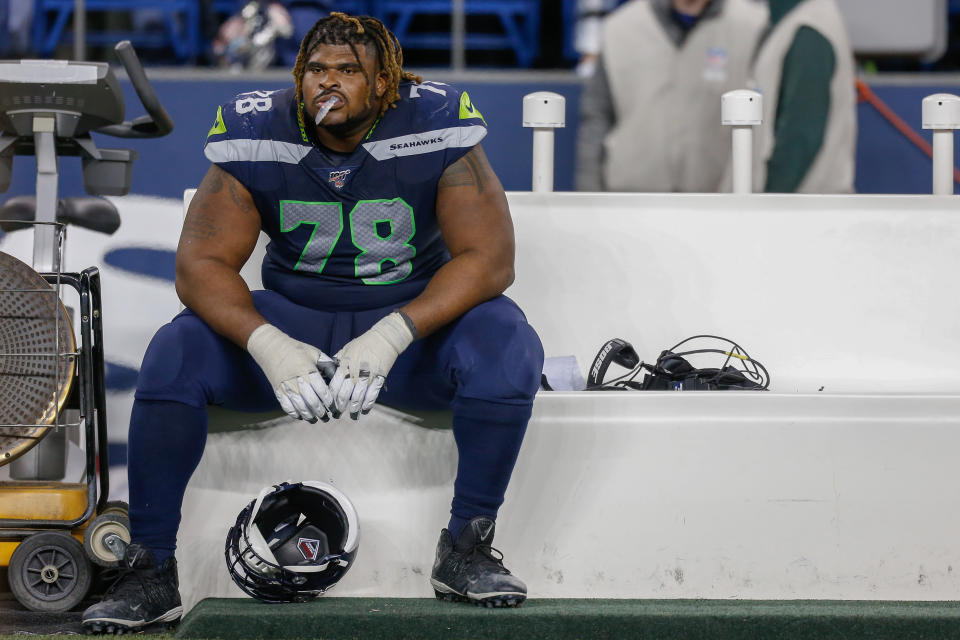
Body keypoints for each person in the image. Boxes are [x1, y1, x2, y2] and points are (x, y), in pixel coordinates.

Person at [81, 12, 543, 633]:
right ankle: (150, 569)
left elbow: (490, 260)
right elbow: (200, 267)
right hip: (294, 319)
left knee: (508, 345)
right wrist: (267, 343)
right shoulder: (259, 128)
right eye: (317, 70)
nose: (329, 84)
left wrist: (393, 334)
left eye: (349, 71)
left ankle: (465, 549)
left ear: (385, 84)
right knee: (176, 351)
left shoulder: (432, 120)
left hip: (408, 327)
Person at [576, 0, 767, 192]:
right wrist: (588, 197)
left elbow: (768, 124)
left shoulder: (753, 26)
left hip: (715, 201)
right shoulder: (620, 28)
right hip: (632, 198)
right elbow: (597, 117)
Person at [750, 0, 856, 192]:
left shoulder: (810, 30)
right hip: (797, 210)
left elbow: (800, 136)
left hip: (807, 211)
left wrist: (767, 208)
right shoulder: (787, 21)